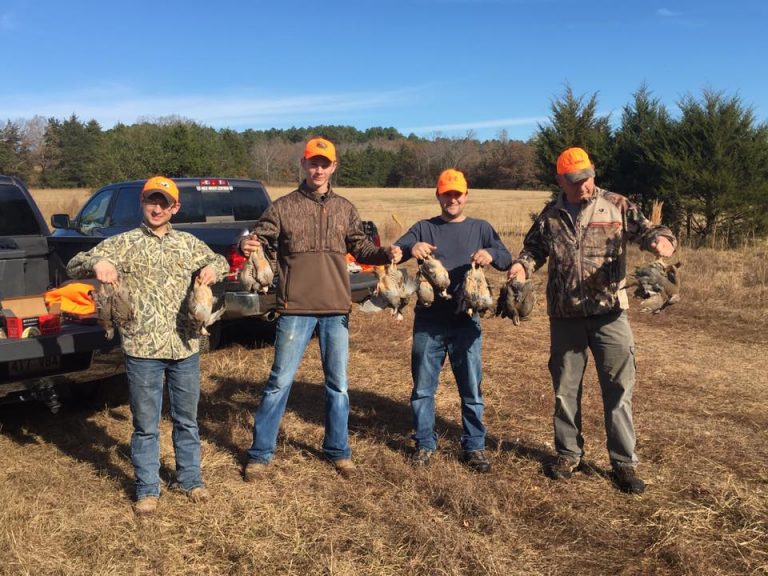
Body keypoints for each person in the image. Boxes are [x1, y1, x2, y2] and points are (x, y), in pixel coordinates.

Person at [508, 147, 676, 494]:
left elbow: (649, 230)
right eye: (574, 181)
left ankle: (624, 462)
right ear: (560, 181)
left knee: (618, 390)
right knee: (565, 390)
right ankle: (569, 454)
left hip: (610, 314)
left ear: (593, 173)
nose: (583, 186)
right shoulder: (550, 215)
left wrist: (661, 241)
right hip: (564, 316)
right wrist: (521, 267)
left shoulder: (616, 205)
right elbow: (533, 250)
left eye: (586, 178)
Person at [240, 137, 401, 481]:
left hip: (335, 307)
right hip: (294, 307)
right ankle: (260, 454)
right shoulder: (282, 207)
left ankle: (338, 450)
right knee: (279, 382)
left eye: (324, 164)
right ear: (304, 164)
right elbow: (258, 238)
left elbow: (361, 248)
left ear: (333, 167)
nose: (318, 169)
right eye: (313, 163)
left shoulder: (345, 208)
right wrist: (246, 243)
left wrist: (385, 253)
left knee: (338, 384)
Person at [67, 176, 229, 515]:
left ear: (175, 208)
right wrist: (98, 263)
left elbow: (221, 261)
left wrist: (213, 269)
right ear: (142, 202)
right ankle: (147, 488)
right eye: (151, 201)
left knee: (187, 420)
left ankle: (190, 480)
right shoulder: (123, 243)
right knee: (145, 425)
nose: (157, 208)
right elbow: (74, 264)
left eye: (164, 203)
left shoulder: (188, 243)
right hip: (142, 349)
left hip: (185, 346)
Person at [394, 168, 512, 472]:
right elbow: (397, 250)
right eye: (447, 194)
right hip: (429, 321)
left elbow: (506, 258)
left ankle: (474, 446)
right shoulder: (424, 227)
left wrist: (490, 253)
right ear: (438, 195)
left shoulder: (480, 228)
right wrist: (410, 247)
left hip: (466, 323)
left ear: (466, 195)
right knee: (423, 389)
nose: (452, 199)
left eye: (457, 194)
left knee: (471, 389)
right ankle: (424, 443)